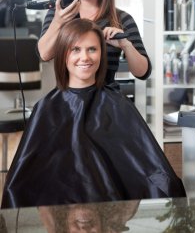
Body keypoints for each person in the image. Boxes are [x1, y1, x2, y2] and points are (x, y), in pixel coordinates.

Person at [1, 18, 185, 209]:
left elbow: (156, 175)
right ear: (64, 54)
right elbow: (19, 188)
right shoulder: (45, 108)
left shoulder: (117, 105)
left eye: (92, 49)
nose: (85, 58)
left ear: (102, 54)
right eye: (76, 50)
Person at [38, 0, 151, 85]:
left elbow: (143, 73)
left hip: (107, 102)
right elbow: (44, 54)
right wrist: (58, 22)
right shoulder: (59, 13)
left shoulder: (122, 19)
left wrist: (125, 45)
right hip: (68, 101)